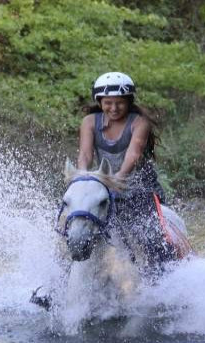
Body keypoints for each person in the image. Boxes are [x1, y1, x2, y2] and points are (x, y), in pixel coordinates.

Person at [77, 71, 175, 276]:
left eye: (120, 103)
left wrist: (118, 178)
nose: (114, 108)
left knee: (151, 240)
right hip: (104, 189)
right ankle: (55, 288)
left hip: (140, 191)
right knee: (74, 229)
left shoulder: (140, 122)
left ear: (129, 101)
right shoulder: (89, 122)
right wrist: (82, 178)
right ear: (100, 101)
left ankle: (164, 280)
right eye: (108, 103)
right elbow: (85, 154)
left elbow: (134, 154)